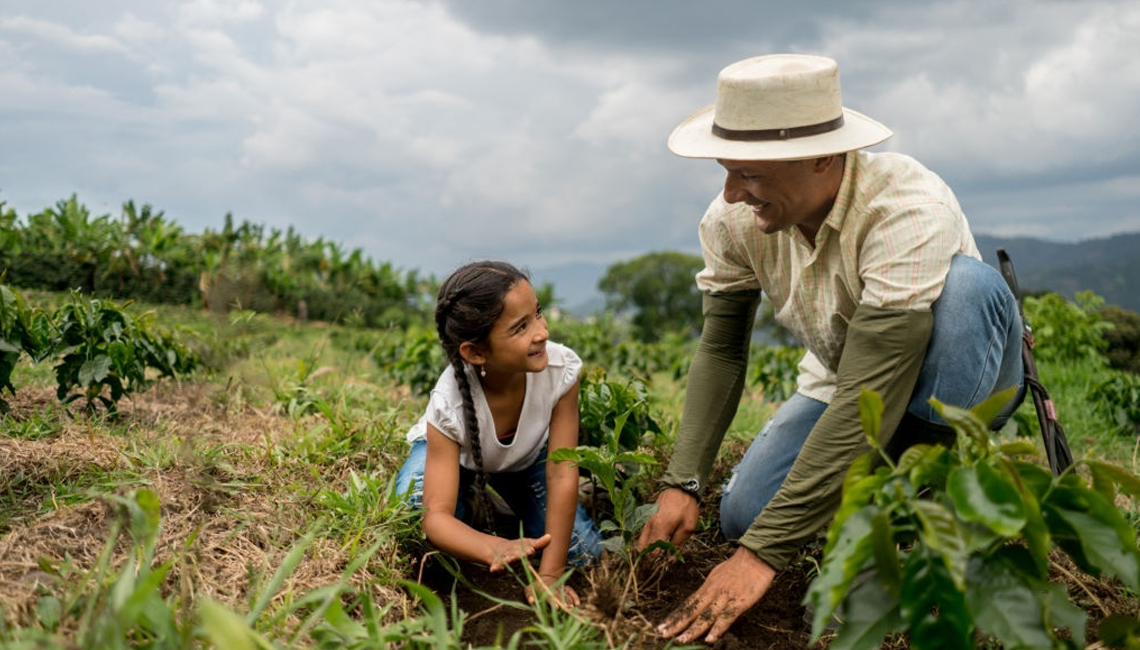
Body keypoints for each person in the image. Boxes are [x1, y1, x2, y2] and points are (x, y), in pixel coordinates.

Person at [635, 54, 1025, 644]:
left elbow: (876, 391)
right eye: (727, 170)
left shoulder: (905, 209)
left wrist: (760, 558)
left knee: (969, 288)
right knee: (744, 513)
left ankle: (919, 493)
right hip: (845, 378)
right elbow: (721, 352)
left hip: (960, 379)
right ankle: (874, 495)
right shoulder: (734, 222)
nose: (732, 192)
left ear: (823, 157)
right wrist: (682, 480)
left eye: (750, 174)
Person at [395, 260, 602, 609]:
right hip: (457, 462)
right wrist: (493, 548)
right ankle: (475, 505)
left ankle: (503, 511)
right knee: (415, 513)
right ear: (476, 353)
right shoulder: (450, 402)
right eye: (521, 327)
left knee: (584, 553)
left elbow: (561, 473)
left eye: (538, 314)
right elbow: (436, 515)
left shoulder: (561, 371)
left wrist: (549, 577)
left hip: (525, 462)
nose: (542, 332)